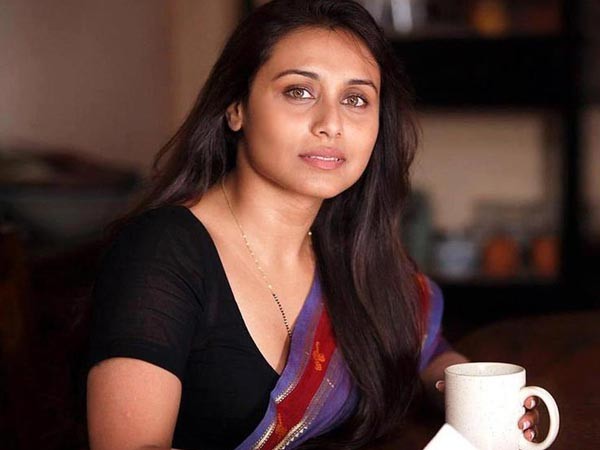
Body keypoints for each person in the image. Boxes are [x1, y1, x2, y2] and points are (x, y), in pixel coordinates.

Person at [86, 1, 539, 449]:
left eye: (356, 99)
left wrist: (476, 401)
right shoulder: (161, 251)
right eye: (299, 92)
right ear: (236, 107)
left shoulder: (348, 248)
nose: (331, 124)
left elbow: (424, 345)